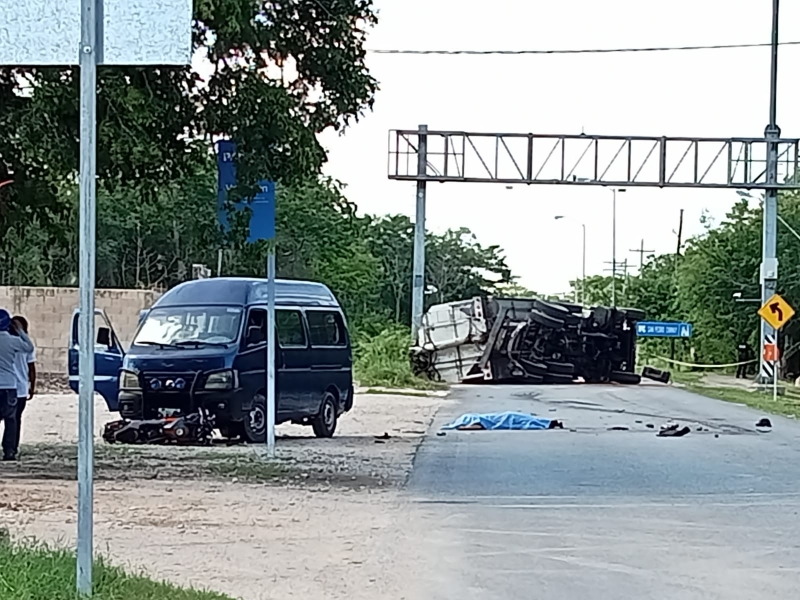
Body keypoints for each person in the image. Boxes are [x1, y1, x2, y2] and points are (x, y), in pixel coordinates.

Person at [0, 309, 34, 461]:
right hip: (9, 385)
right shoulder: (12, 341)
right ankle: (9, 451)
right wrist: (20, 331)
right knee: (11, 419)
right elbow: (29, 347)